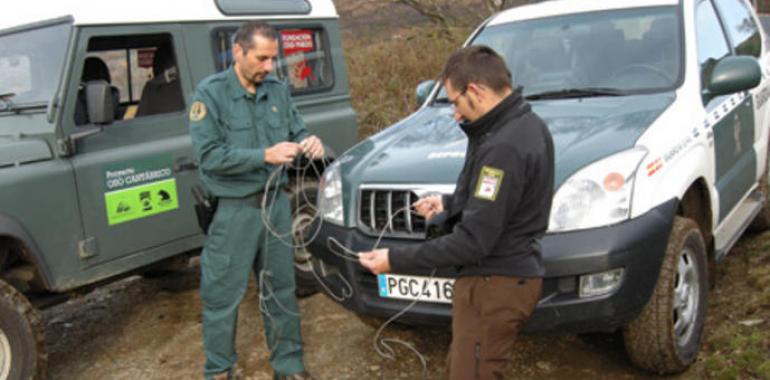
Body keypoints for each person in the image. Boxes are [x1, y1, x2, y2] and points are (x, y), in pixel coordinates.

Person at [359, 45, 554, 380]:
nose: (455, 113)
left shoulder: (503, 146)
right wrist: (449, 205)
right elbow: (503, 201)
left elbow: (472, 242)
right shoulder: (521, 125)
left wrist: (394, 260)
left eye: (455, 102)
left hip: (494, 283)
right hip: (501, 279)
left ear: (475, 91)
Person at [188, 21, 323, 380]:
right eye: (261, 58)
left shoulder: (278, 91)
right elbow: (210, 157)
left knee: (280, 289)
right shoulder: (210, 94)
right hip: (235, 210)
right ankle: (219, 371)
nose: (268, 67)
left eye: (272, 59)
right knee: (221, 298)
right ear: (238, 52)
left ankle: (289, 366)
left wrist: (311, 141)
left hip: (276, 205)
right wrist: (264, 155)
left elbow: (298, 130)